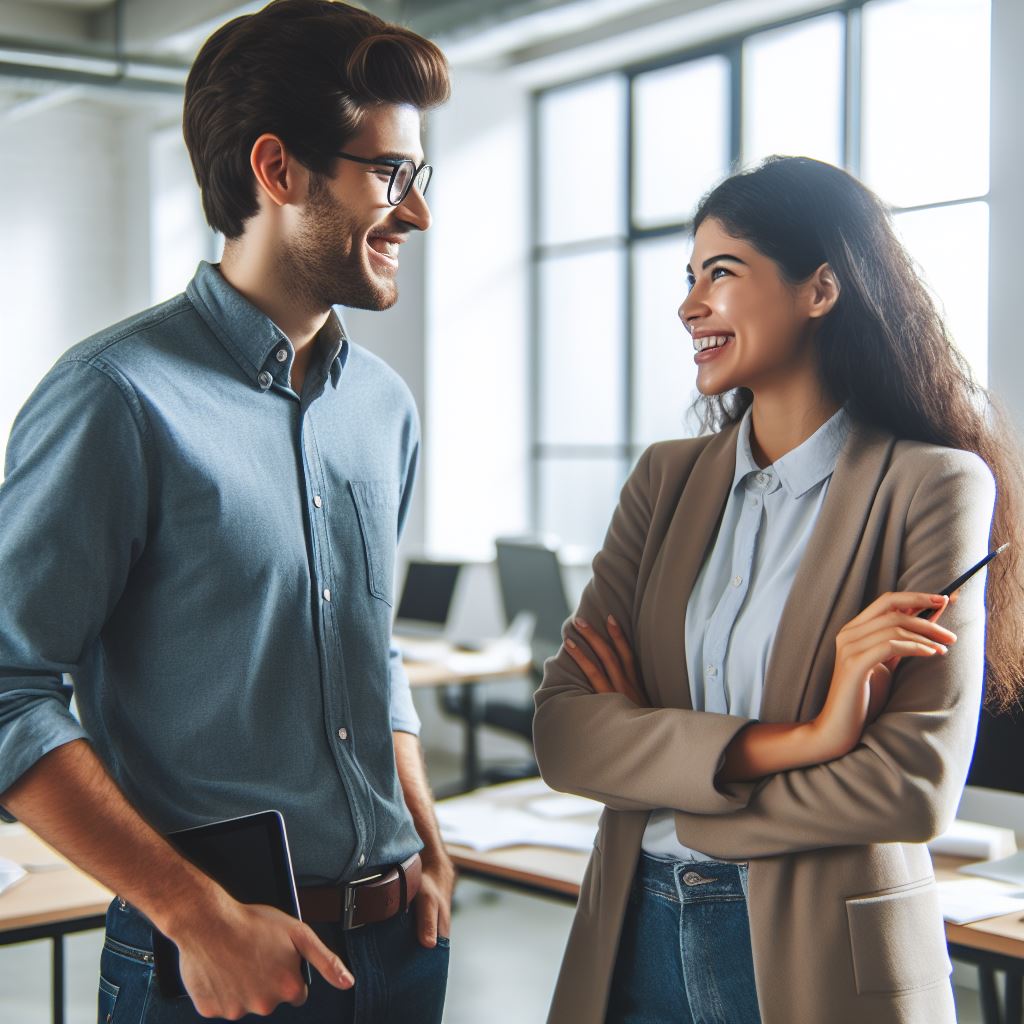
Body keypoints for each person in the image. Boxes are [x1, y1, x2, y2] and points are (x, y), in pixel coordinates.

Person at [0, 2, 453, 1021]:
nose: (416, 213)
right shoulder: (115, 397)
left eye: (418, 177)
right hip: (216, 969)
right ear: (278, 170)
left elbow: (366, 644)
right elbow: (6, 685)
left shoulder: (384, 408)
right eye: (389, 174)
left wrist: (420, 829)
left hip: (402, 950)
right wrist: (196, 916)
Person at [533, 155, 1024, 1024]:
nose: (690, 305)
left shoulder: (936, 485)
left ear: (821, 289)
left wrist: (671, 781)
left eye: (721, 273)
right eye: (689, 278)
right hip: (634, 931)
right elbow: (567, 732)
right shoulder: (665, 480)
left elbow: (908, 786)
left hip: (826, 955)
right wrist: (810, 736)